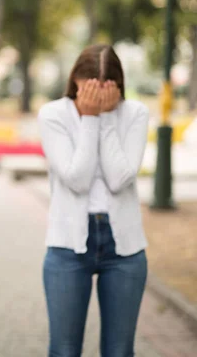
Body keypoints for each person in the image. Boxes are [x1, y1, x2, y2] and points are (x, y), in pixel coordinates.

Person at [38, 44, 149, 357]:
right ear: (76, 81)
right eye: (90, 88)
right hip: (68, 246)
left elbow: (119, 179)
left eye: (105, 89)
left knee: (119, 350)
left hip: (124, 247)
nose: (97, 96)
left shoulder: (135, 113)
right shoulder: (54, 114)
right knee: (64, 349)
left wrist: (107, 117)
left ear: (117, 86)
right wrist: (89, 119)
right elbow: (77, 179)